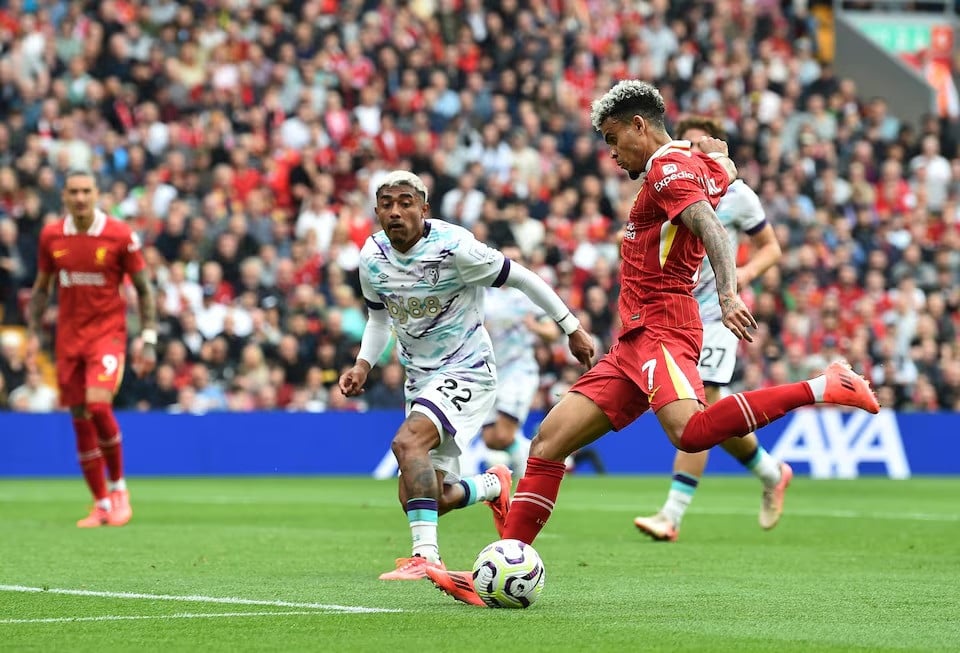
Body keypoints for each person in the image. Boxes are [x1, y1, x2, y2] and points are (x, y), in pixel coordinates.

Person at [427, 80, 879, 605]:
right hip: (634, 338)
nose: (613, 154)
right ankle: (505, 561)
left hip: (664, 325)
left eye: (615, 139)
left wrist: (729, 292)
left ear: (640, 125)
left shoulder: (666, 172)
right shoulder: (691, 167)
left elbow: (711, 224)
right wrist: (721, 158)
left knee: (690, 433)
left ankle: (825, 385)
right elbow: (722, 173)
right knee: (548, 442)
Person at [338, 170, 594, 581]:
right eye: (386, 204)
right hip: (419, 378)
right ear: (376, 211)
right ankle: (492, 485)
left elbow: (523, 278)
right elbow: (377, 319)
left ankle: (426, 557)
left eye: (405, 203)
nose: (395, 212)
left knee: (407, 442)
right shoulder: (372, 258)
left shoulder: (456, 248)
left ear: (424, 209)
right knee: (426, 497)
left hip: (467, 368)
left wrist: (572, 328)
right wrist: (363, 364)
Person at [633, 116, 787, 542]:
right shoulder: (666, 184)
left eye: (705, 145)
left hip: (717, 315)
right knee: (709, 413)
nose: (697, 152)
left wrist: (736, 281)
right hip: (673, 311)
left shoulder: (737, 195)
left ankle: (672, 514)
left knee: (700, 407)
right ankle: (772, 473)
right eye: (692, 145)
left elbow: (771, 248)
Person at [28, 169, 156, 528]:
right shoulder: (52, 235)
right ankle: (100, 503)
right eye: (74, 192)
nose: (81, 197)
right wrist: (34, 332)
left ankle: (119, 489)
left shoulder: (119, 235)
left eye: (87, 191)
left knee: (99, 406)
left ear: (97, 193)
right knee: (80, 421)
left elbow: (145, 289)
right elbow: (41, 288)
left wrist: (148, 337)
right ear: (64, 196)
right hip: (68, 340)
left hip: (107, 336)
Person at [479, 244, 561, 478]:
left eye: (516, 259)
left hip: (519, 369)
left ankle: (530, 479)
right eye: (507, 259)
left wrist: (534, 326)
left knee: (504, 435)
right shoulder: (486, 294)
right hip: (491, 371)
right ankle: (530, 456)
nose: (511, 263)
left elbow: (552, 332)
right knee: (492, 441)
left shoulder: (528, 297)